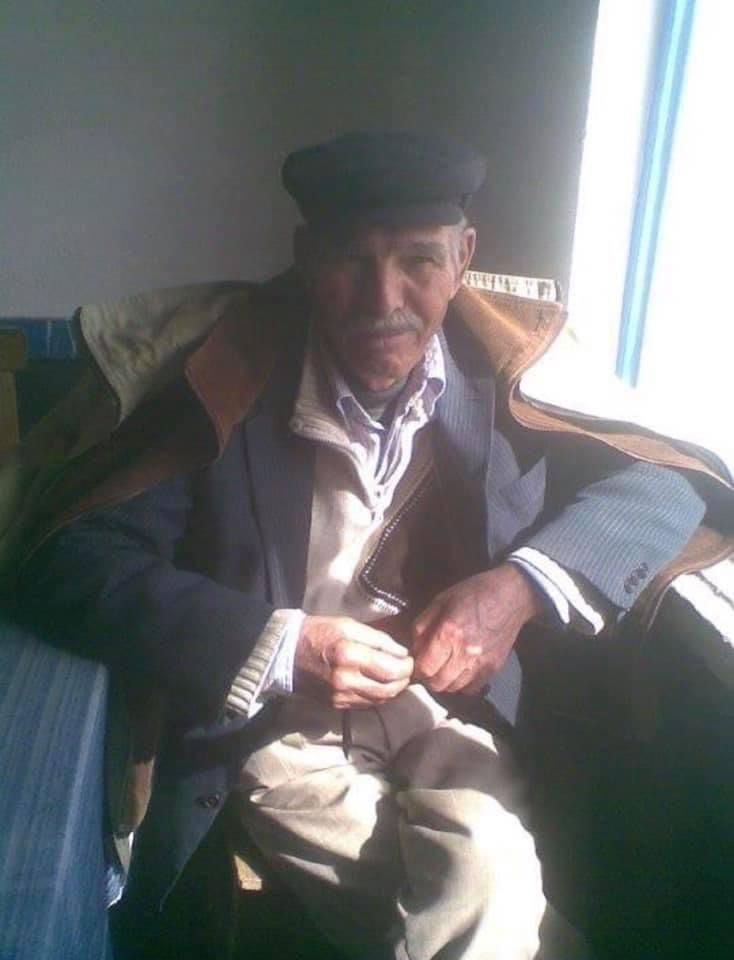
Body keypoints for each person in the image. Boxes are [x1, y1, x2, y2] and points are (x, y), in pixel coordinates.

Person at [14, 131, 728, 960]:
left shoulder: (514, 374)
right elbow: (75, 558)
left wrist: (517, 589)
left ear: (463, 258)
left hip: (445, 716)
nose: (382, 300)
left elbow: (670, 484)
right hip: (272, 731)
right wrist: (280, 645)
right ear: (305, 259)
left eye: (418, 261)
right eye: (351, 261)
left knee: (489, 867)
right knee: (495, 907)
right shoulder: (223, 379)